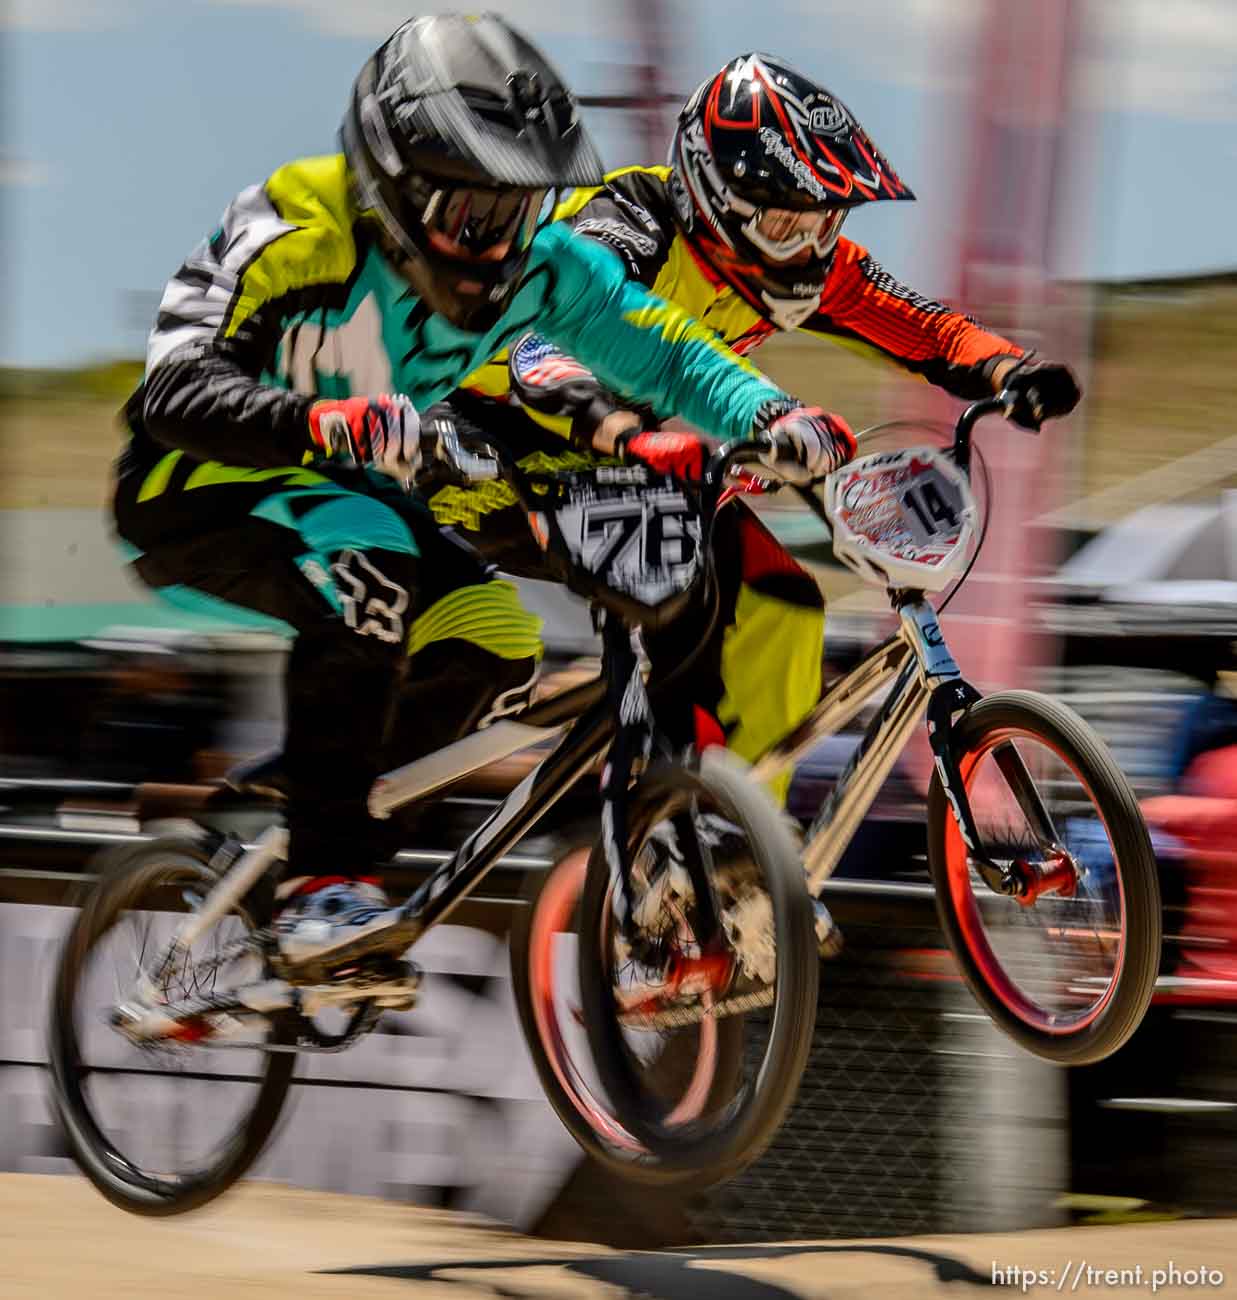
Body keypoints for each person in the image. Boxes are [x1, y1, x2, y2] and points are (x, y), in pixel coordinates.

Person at [114, 16, 855, 972]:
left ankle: (300, 818)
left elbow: (666, 346)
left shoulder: (539, 264)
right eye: (470, 213)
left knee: (493, 646)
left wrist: (767, 413)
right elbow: (173, 392)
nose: (494, 245)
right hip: (198, 488)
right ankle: (325, 884)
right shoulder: (296, 227)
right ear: (390, 179)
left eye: (515, 213)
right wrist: (322, 424)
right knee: (369, 579)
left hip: (351, 499)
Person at [433, 51, 1083, 797]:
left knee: (784, 604)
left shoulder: (806, 264)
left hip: (629, 458)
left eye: (823, 223)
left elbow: (926, 330)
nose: (808, 247)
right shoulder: (626, 230)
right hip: (487, 439)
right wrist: (631, 434)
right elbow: (539, 349)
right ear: (718, 197)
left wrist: (1009, 371)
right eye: (785, 222)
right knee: (677, 593)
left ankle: (741, 851)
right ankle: (666, 798)